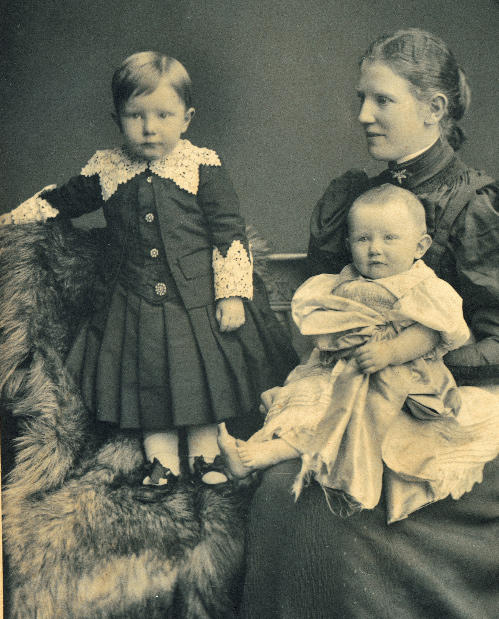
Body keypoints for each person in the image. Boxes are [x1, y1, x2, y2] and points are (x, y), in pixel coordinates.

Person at [238, 29, 499, 619]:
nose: (363, 116)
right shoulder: (358, 202)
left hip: (459, 408)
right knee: (284, 491)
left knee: (322, 514)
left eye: (381, 101)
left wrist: (409, 361)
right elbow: (326, 300)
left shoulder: (483, 205)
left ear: (434, 108)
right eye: (362, 98)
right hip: (358, 394)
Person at [0, 51, 297, 490]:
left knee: (201, 377)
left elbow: (229, 232)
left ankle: (205, 455)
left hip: (197, 299)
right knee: (150, 383)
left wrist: (231, 293)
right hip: (133, 300)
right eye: (135, 116)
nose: (150, 127)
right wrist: (13, 220)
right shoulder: (107, 168)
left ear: (187, 118)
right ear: (117, 117)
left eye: (163, 115)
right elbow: (62, 202)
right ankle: (161, 462)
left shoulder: (202, 166)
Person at [219, 183, 499, 523]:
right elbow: (322, 327)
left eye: (389, 239)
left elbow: (429, 334)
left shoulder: (422, 286)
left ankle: (256, 456)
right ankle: (256, 455)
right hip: (337, 364)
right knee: (303, 398)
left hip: (395, 369)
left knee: (334, 408)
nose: (374, 249)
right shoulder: (342, 282)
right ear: (349, 245)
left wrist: (389, 351)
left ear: (421, 246)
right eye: (363, 239)